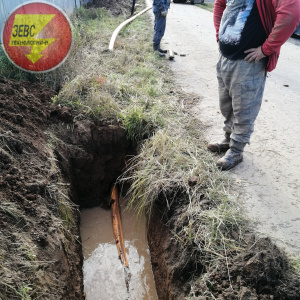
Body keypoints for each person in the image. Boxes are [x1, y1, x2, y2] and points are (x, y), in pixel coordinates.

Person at [209, 0, 300, 170]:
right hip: (225, 57)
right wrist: (218, 35)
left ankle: (236, 151)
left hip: (248, 63)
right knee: (226, 105)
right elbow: (219, 4)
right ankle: (228, 139)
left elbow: (291, 13)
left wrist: (266, 49)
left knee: (244, 109)